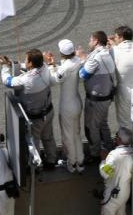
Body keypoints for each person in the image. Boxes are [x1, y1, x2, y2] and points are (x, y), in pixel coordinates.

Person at [0, 49, 57, 169]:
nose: (25, 62)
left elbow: (7, 81)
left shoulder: (26, 80)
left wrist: (5, 66)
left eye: (26, 60)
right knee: (48, 137)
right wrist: (14, 64)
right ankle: (51, 161)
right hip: (48, 112)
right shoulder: (45, 68)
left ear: (31, 63)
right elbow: (30, 68)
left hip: (35, 118)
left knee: (33, 143)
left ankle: (34, 168)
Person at [45, 39, 84, 173]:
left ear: (62, 52)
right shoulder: (77, 60)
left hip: (67, 106)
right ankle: (80, 161)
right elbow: (64, 70)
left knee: (68, 136)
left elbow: (54, 80)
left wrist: (50, 65)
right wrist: (54, 64)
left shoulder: (65, 67)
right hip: (77, 102)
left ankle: (71, 163)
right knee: (77, 134)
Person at [78, 31, 117, 162]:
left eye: (90, 40)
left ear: (95, 41)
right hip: (106, 97)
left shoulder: (96, 57)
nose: (89, 42)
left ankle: (95, 153)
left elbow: (83, 75)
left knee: (92, 127)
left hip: (96, 100)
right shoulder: (108, 52)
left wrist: (83, 58)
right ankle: (109, 147)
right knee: (103, 124)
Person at [111, 26, 133, 130]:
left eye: (116, 37)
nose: (115, 39)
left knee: (124, 122)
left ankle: (126, 143)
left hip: (123, 91)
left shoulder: (114, 50)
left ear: (121, 37)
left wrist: (112, 45)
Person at [99, 128, 133, 215]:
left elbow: (106, 173)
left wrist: (103, 160)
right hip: (125, 193)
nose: (115, 137)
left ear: (120, 139)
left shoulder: (114, 154)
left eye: (117, 135)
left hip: (113, 195)